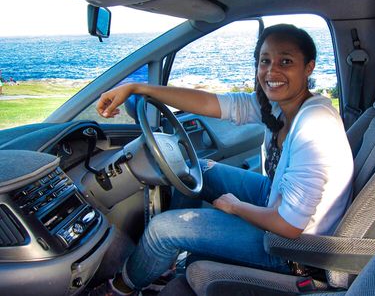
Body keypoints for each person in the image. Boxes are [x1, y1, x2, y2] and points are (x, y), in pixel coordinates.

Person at [96, 24, 354, 295]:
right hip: (277, 200)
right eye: (265, 61)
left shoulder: (315, 124)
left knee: (162, 230)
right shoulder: (280, 106)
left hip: (291, 249)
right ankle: (164, 266)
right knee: (197, 169)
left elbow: (289, 226)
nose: (272, 71)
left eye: (285, 61)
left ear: (309, 67)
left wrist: (236, 207)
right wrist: (139, 88)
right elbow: (212, 104)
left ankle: (120, 288)